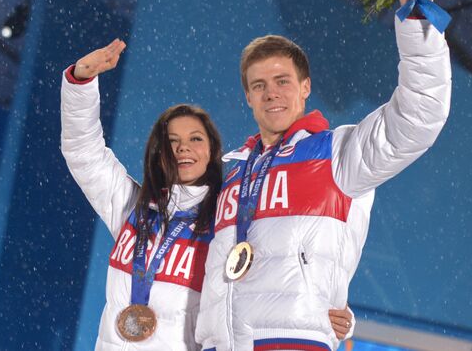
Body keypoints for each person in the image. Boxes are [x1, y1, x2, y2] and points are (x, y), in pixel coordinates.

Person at [195, 0, 452, 350]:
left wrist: (418, 21)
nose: (271, 94)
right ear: (247, 97)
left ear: (305, 88)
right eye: (259, 85)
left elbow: (418, 116)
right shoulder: (232, 177)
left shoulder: (337, 152)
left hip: (293, 341)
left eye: (282, 81)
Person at [60, 41, 354, 350]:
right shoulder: (134, 210)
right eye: (171, 141)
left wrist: (333, 307)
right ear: (159, 153)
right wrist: (81, 83)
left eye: (195, 139)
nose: (182, 148)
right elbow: (84, 153)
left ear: (213, 151)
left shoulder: (227, 222)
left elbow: (289, 261)